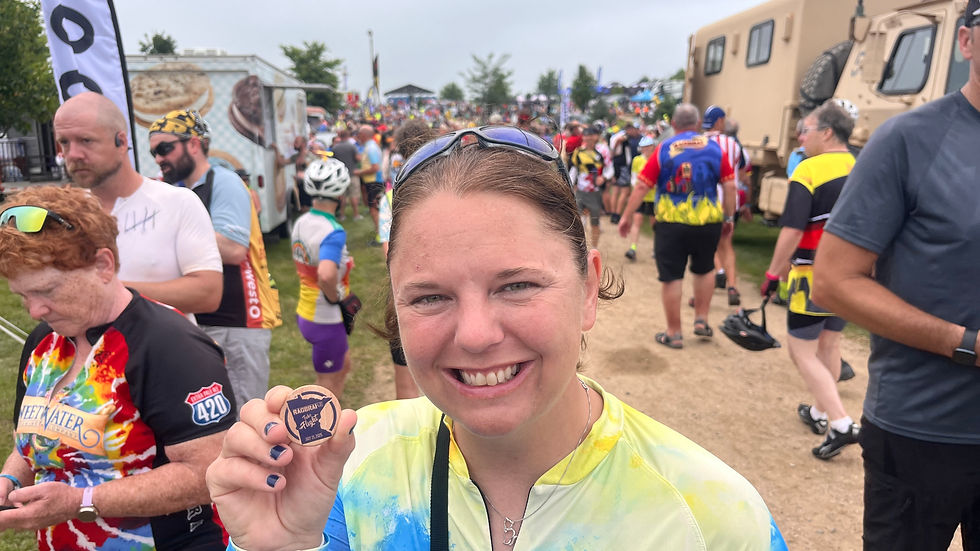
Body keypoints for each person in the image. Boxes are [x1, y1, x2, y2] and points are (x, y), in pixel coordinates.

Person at [206, 125, 787, 550]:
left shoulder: (713, 521)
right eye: (430, 296)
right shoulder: (345, 473)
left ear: (588, 289)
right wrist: (281, 545)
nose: (477, 335)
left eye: (516, 285)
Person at [812, 4, 980, 547]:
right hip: (923, 432)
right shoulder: (910, 140)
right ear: (966, 43)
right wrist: (966, 344)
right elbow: (834, 282)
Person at [0, 186, 235, 550]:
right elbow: (29, 440)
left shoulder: (170, 347)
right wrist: (10, 480)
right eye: (23, 296)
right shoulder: (43, 343)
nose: (35, 310)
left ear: (103, 265)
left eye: (48, 291)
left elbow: (209, 474)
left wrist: (81, 502)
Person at [149, 110, 282, 410]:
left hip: (239, 320)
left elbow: (234, 248)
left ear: (193, 144)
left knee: (246, 415)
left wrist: (169, 232)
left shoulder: (224, 181)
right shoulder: (179, 190)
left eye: (164, 148)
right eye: (154, 152)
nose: (158, 158)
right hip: (199, 317)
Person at [52, 91, 222, 317]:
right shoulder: (65, 214)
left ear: (121, 142)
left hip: (162, 350)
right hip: (85, 350)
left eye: (86, 140)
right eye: (65, 142)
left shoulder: (177, 202)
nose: (73, 154)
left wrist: (107, 290)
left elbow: (207, 294)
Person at [760, 101, 859, 460]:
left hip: (812, 273)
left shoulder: (809, 169)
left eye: (807, 130)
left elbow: (792, 228)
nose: (802, 137)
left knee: (801, 350)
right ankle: (820, 413)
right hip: (852, 273)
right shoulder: (863, 165)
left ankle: (843, 423)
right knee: (829, 345)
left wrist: (773, 271)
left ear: (827, 132)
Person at [617, 103, 736, 349]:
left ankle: (674, 332)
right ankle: (701, 320)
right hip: (707, 221)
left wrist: (627, 216)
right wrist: (728, 217)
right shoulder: (714, 148)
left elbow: (642, 186)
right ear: (696, 123)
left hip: (671, 223)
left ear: (673, 124)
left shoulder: (663, 149)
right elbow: (730, 185)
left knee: (672, 276)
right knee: (704, 270)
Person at [290, 158, 355, 397]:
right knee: (328, 388)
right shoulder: (333, 231)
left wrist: (344, 264)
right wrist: (336, 296)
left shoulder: (302, 222)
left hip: (306, 311)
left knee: (343, 365)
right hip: (326, 318)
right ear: (340, 195)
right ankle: (325, 433)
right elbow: (325, 274)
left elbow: (309, 260)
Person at [702, 106, 748, 306]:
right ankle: (732, 286)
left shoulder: (699, 143)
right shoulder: (734, 145)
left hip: (707, 200)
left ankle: (716, 274)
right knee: (727, 244)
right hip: (729, 201)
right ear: (720, 121)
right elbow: (742, 170)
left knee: (706, 245)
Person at [568, 125, 611, 247]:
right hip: (581, 191)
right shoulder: (578, 152)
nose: (588, 138)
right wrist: (570, 185)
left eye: (591, 135)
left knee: (595, 222)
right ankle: (581, 248)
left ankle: (594, 248)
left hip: (595, 192)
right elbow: (574, 170)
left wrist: (604, 177)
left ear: (596, 137)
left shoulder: (603, 151)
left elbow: (610, 169)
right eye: (586, 136)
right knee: (580, 221)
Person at [623, 134, 657, 261]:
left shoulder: (656, 159)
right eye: (643, 147)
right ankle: (633, 248)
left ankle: (656, 249)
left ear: (653, 147)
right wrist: (635, 190)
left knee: (655, 224)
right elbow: (633, 177)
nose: (645, 150)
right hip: (640, 197)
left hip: (654, 197)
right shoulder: (637, 160)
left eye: (647, 147)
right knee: (637, 221)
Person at [355, 125, 383, 237]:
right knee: (375, 208)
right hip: (373, 182)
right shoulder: (371, 146)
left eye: (359, 134)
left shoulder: (370, 148)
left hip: (374, 182)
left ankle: (380, 235)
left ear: (364, 135)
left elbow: (375, 167)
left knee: (374, 209)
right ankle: (381, 234)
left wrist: (359, 173)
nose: (358, 137)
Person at [329, 128, 361, 221]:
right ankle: (356, 215)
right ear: (348, 136)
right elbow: (358, 158)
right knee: (354, 195)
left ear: (340, 136)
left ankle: (342, 215)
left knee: (342, 197)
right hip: (352, 174)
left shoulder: (335, 148)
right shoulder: (352, 146)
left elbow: (333, 161)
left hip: (341, 176)